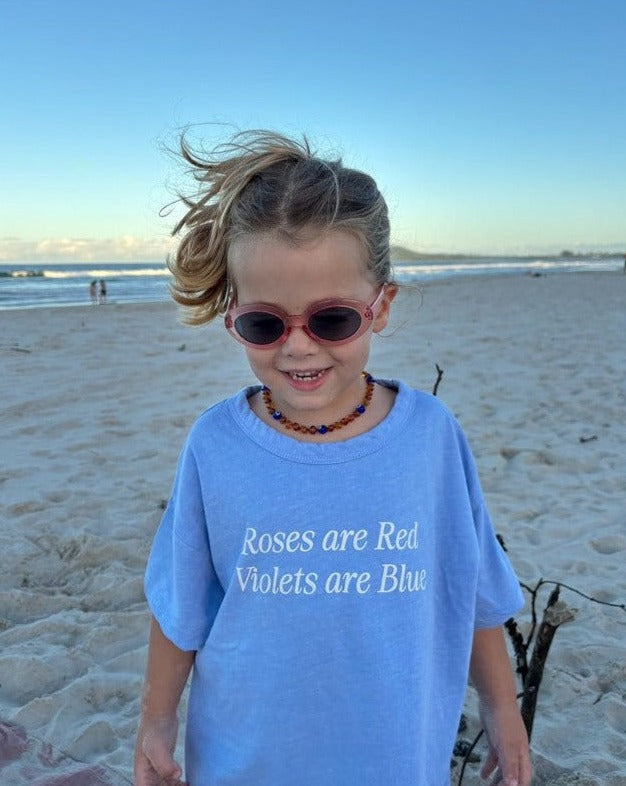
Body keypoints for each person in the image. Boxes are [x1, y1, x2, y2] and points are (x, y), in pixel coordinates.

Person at [135, 130, 532, 786]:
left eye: (333, 320)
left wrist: (502, 708)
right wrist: (155, 721)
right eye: (264, 324)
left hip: (397, 760)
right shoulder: (215, 444)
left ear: (381, 307)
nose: (298, 347)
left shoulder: (431, 438)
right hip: (244, 763)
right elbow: (181, 605)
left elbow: (473, 589)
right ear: (234, 316)